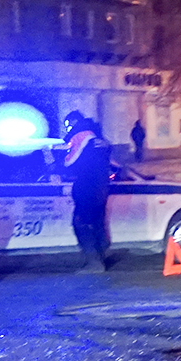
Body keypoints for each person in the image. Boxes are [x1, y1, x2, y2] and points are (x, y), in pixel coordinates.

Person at [62, 114, 113, 270]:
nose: (68, 129)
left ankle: (94, 262)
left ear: (73, 123)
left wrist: (59, 161)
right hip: (102, 186)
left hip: (86, 185)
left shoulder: (81, 136)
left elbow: (69, 161)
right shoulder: (99, 138)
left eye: (68, 126)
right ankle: (101, 255)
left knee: (81, 222)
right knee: (97, 221)